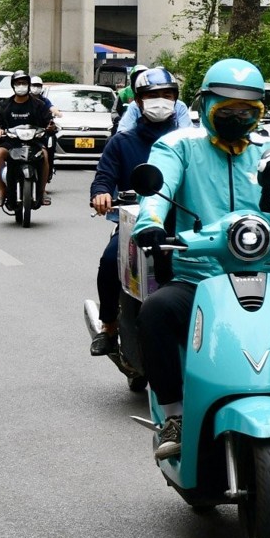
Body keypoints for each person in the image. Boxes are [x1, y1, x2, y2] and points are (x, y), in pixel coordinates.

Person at [132, 58, 270, 460]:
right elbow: (157, 192)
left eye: (247, 110)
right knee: (156, 312)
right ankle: (174, 416)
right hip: (197, 278)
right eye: (226, 108)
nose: (237, 117)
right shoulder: (178, 145)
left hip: (264, 276)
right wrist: (151, 222)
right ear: (205, 103)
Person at [89, 67, 181, 356]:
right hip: (134, 224)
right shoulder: (122, 142)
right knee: (108, 262)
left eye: (167, 95)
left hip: (182, 224)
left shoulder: (190, 142)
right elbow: (103, 177)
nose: (160, 101)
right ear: (138, 101)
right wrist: (101, 194)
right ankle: (109, 326)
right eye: (153, 95)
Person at [0, 70, 53, 207]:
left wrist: (51, 127)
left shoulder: (39, 105)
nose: (21, 86)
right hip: (11, 142)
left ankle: (42, 191)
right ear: (13, 86)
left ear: (28, 85)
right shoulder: (3, 105)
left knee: (45, 155)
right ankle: (1, 190)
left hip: (34, 142)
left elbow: (48, 121)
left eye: (24, 83)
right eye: (18, 83)